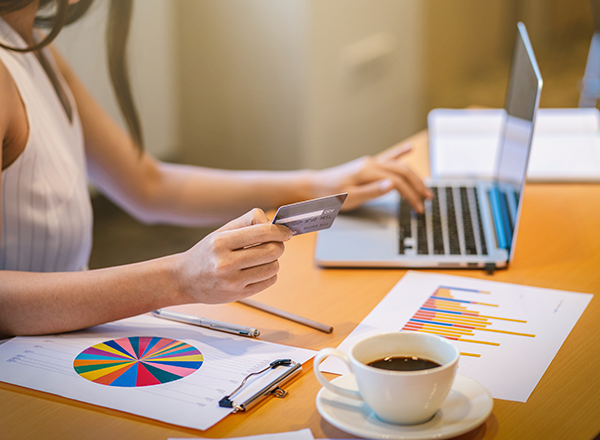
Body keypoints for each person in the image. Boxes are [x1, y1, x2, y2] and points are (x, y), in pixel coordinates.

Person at [0, 0, 432, 338]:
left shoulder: (37, 47)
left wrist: (315, 183)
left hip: (64, 335)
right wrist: (178, 280)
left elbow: (149, 186)